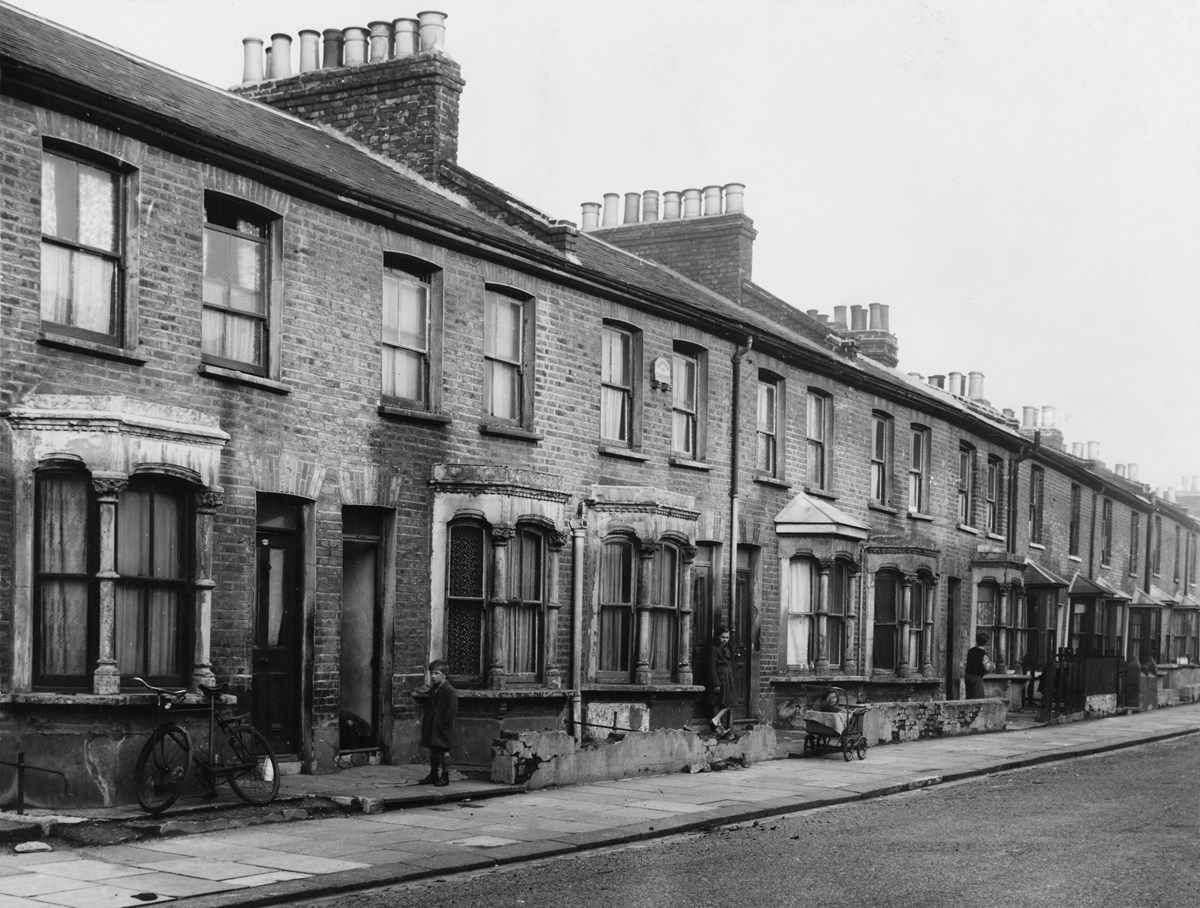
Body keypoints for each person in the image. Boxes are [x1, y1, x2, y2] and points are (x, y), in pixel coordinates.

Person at [419, 659, 458, 787]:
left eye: (436, 673)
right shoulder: (434, 689)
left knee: (444, 751)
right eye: (431, 673)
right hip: (433, 726)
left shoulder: (450, 691)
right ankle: (433, 774)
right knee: (434, 750)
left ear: (445, 674)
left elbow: (451, 711)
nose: (433, 676)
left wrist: (443, 725)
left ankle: (445, 776)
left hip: (443, 728)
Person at [705, 625, 735, 738]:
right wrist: (716, 683)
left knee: (727, 702)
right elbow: (711, 667)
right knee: (720, 703)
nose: (725, 640)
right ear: (718, 637)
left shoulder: (727, 649)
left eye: (727, 637)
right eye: (723, 637)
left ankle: (717, 724)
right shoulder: (714, 649)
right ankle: (717, 725)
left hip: (727, 679)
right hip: (720, 679)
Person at [965, 632, 993, 699]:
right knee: (978, 699)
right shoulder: (984, 654)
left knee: (969, 697)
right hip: (976, 678)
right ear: (986, 643)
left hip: (967, 676)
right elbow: (986, 667)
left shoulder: (970, 651)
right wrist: (991, 667)